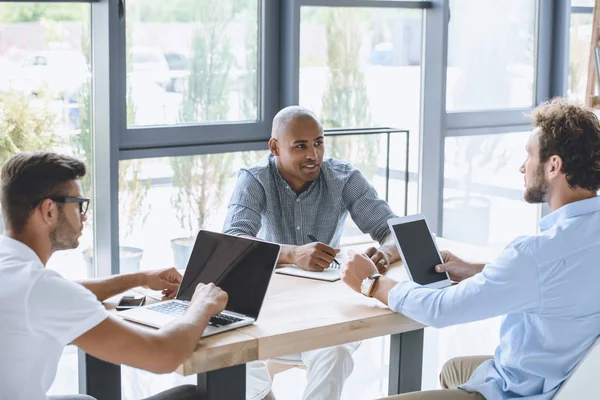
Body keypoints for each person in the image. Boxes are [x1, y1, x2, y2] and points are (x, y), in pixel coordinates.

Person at [341, 98, 600, 400]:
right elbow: (558, 280)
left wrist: (372, 283)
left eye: (529, 155)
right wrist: (479, 271)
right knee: (454, 370)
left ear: (553, 165)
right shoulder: (567, 246)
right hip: (575, 379)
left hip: (522, 392)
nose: (521, 166)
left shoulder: (536, 255)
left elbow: (441, 311)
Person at [0, 152, 229, 400]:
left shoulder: (13, 266)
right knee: (192, 396)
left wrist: (140, 278)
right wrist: (201, 305)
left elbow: (64, 292)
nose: (84, 216)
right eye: (79, 205)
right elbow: (162, 356)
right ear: (49, 211)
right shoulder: (40, 288)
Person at [223, 106, 401, 400]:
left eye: (318, 142)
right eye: (300, 146)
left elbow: (393, 230)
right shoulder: (254, 180)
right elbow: (233, 241)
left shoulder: (344, 178)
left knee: (337, 349)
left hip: (326, 311)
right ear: (274, 147)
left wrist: (384, 253)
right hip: (270, 308)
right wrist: (293, 254)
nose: (313, 154)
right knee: (229, 346)